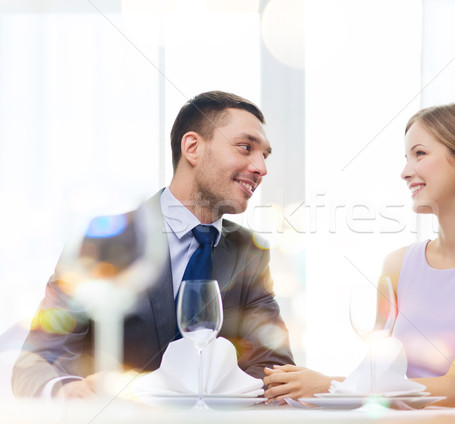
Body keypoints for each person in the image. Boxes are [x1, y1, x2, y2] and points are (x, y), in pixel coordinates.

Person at [12, 91, 295, 398]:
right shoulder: (104, 240)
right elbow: (39, 360)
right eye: (245, 147)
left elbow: (273, 370)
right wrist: (69, 393)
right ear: (192, 147)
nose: (261, 169)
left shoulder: (251, 252)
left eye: (264, 155)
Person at [263, 103, 455, 407]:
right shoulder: (397, 265)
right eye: (407, 157)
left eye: (419, 154)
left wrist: (326, 386)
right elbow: (376, 375)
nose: (405, 172)